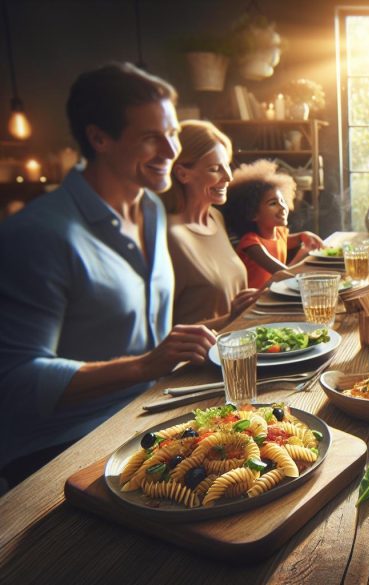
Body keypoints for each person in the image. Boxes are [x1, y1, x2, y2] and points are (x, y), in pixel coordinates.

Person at [0, 63, 217, 488]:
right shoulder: (39, 234)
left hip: (148, 419)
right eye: (151, 137)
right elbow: (16, 382)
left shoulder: (152, 209)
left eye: (172, 133)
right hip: (61, 450)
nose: (171, 151)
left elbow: (145, 337)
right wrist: (144, 366)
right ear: (99, 138)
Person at [161, 120, 260, 326]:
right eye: (215, 169)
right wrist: (229, 319)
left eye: (227, 165)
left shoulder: (216, 217)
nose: (228, 177)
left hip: (238, 350)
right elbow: (159, 337)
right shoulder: (166, 235)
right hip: (199, 358)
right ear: (182, 174)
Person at [221, 159, 324, 289]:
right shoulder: (251, 244)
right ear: (252, 214)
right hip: (255, 302)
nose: (282, 207)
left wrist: (305, 235)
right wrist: (304, 254)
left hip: (273, 295)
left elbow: (293, 240)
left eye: (282, 201)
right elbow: (283, 274)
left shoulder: (279, 233)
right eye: (273, 203)